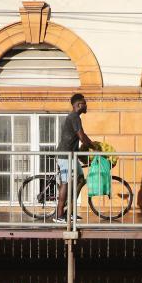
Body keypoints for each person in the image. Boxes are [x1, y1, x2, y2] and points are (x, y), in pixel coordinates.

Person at [54, 93, 94, 224]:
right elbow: (82, 137)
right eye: (84, 103)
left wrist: (92, 145)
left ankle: (69, 212)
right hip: (65, 156)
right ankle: (59, 215)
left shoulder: (75, 118)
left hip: (72, 155)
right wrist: (95, 147)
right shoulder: (74, 117)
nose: (86, 105)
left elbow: (83, 136)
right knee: (66, 183)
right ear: (78, 105)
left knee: (80, 179)